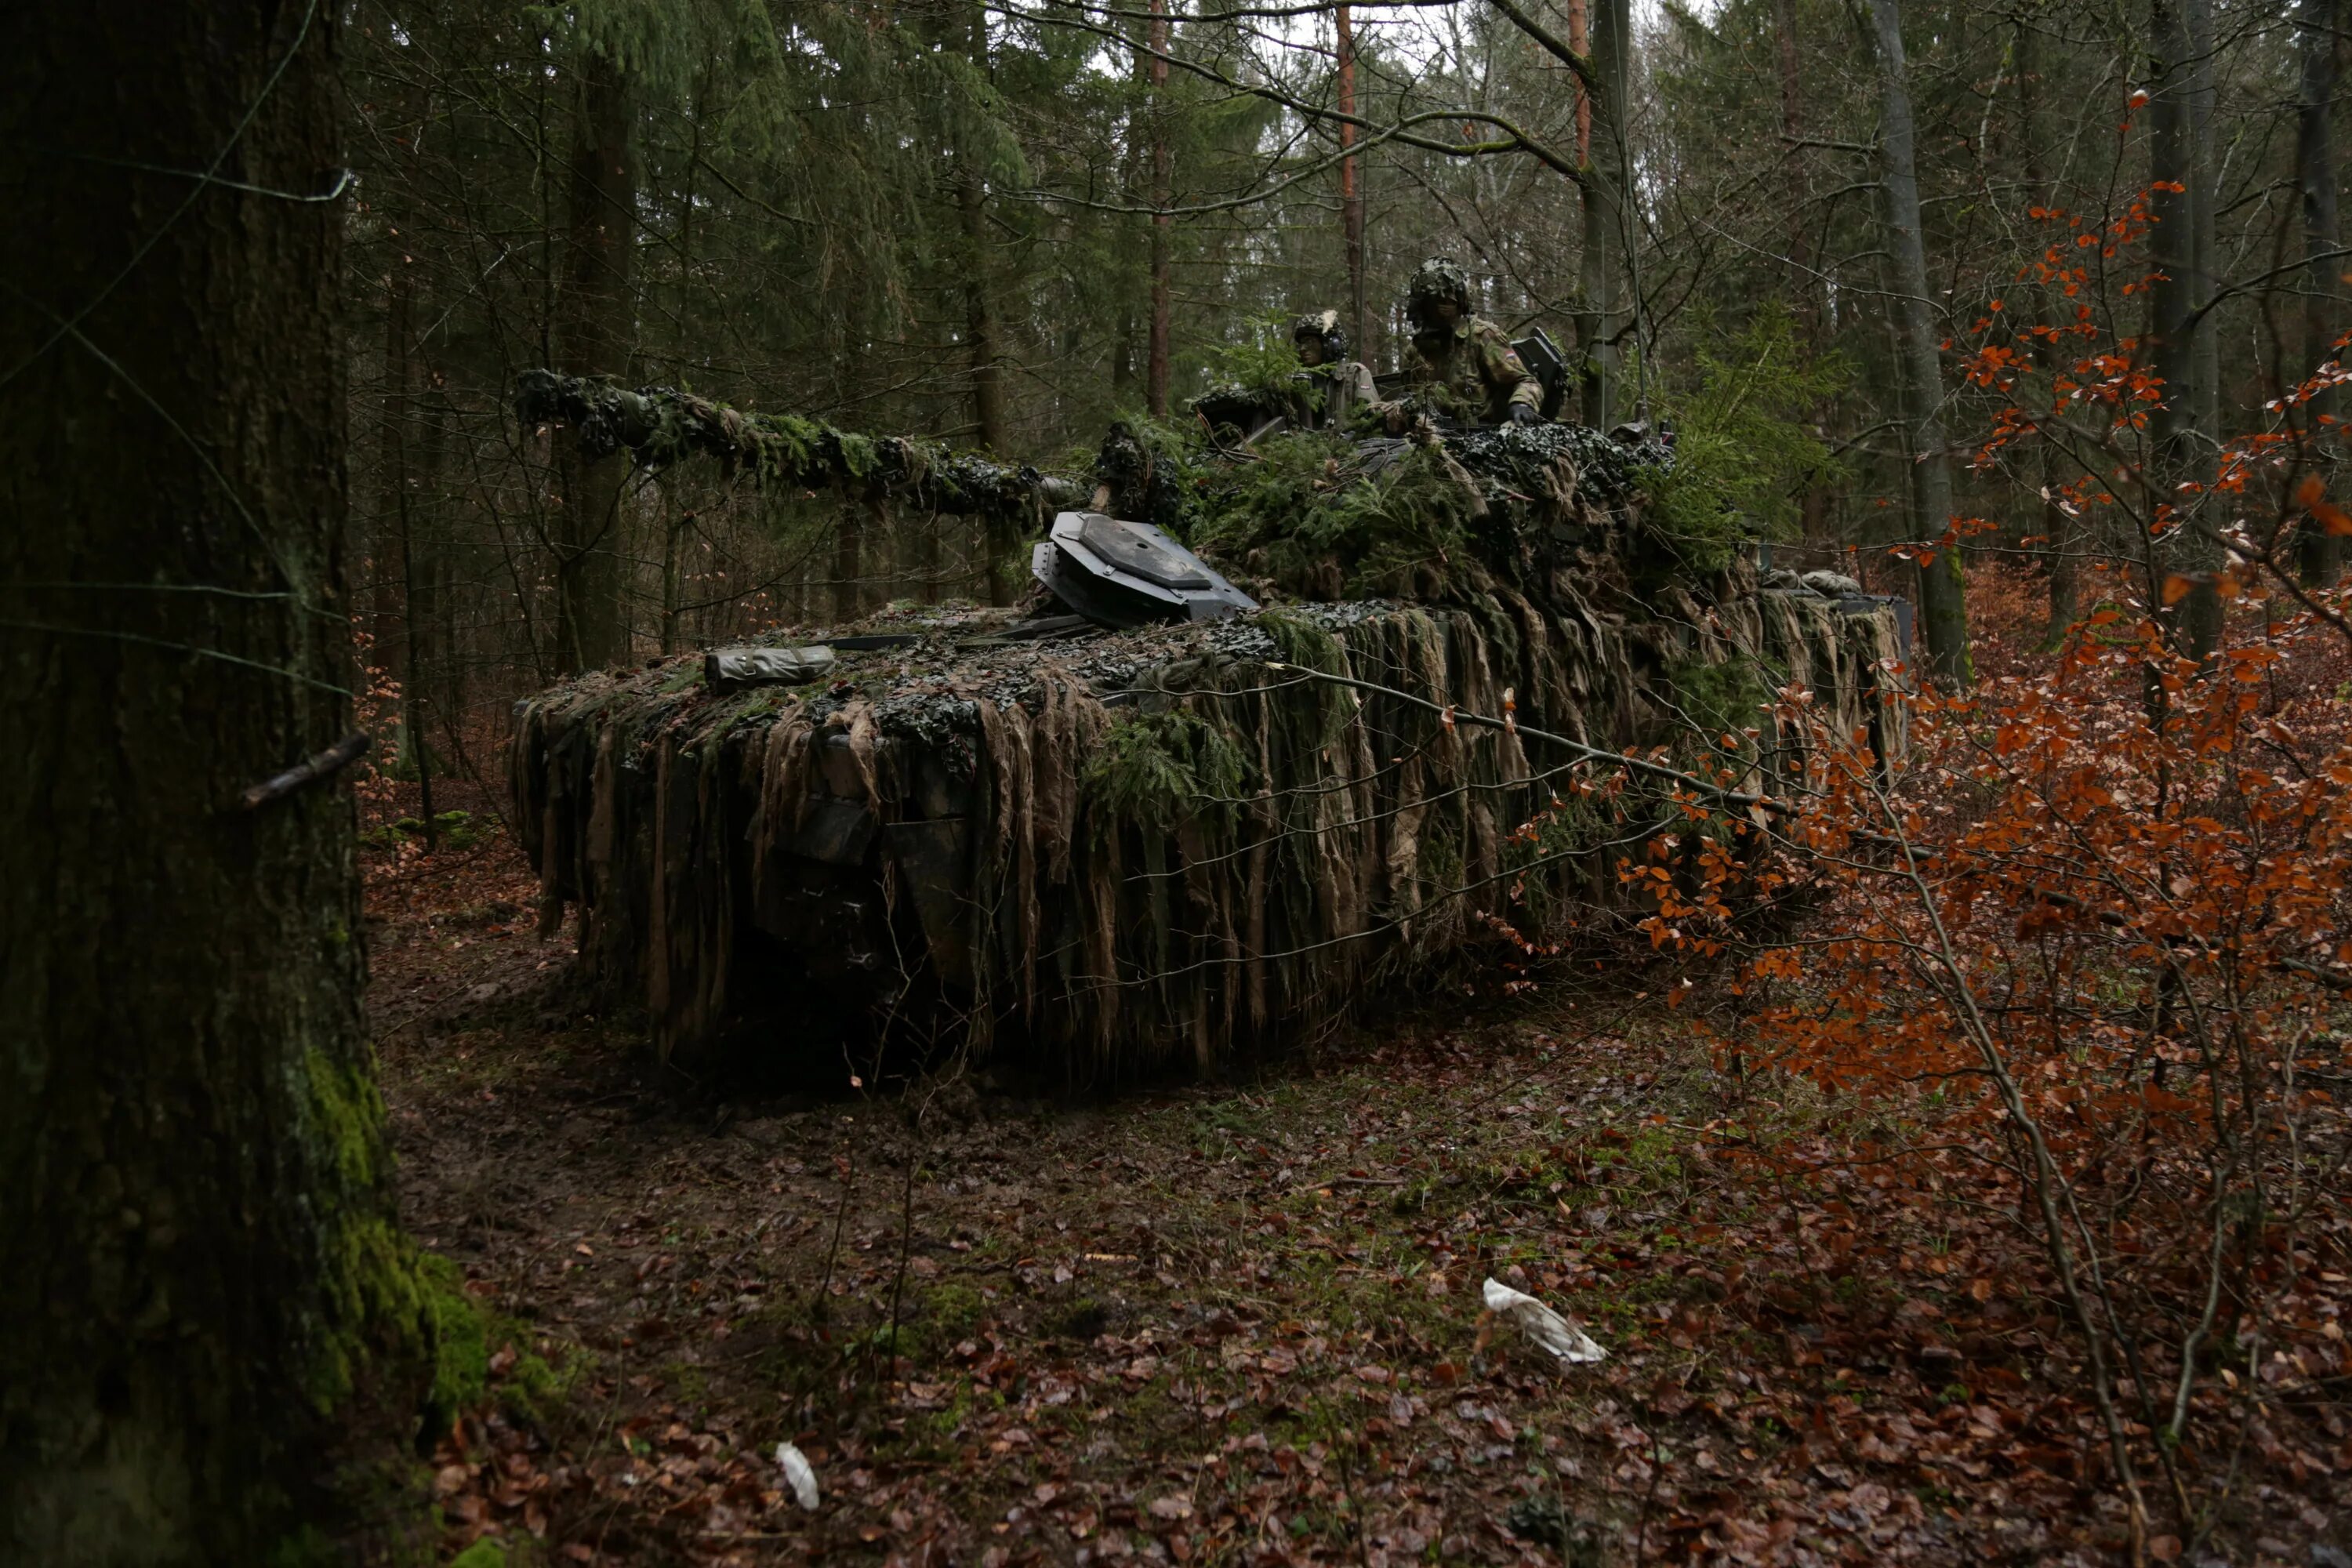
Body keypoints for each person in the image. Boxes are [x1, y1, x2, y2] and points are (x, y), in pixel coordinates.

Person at [1383, 258, 1543, 430]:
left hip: (1480, 435)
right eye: (1432, 301)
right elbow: (1410, 397)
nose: (1440, 308)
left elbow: (1527, 382)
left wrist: (1522, 403)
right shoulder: (1416, 350)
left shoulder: (1481, 337)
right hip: (1429, 437)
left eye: (1447, 300)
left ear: (1461, 300)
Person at [1289, 309, 1377, 430]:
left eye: (1310, 342)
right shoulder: (1297, 382)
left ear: (1331, 344)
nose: (1303, 349)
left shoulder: (1355, 375)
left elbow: (1371, 421)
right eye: (1301, 344)